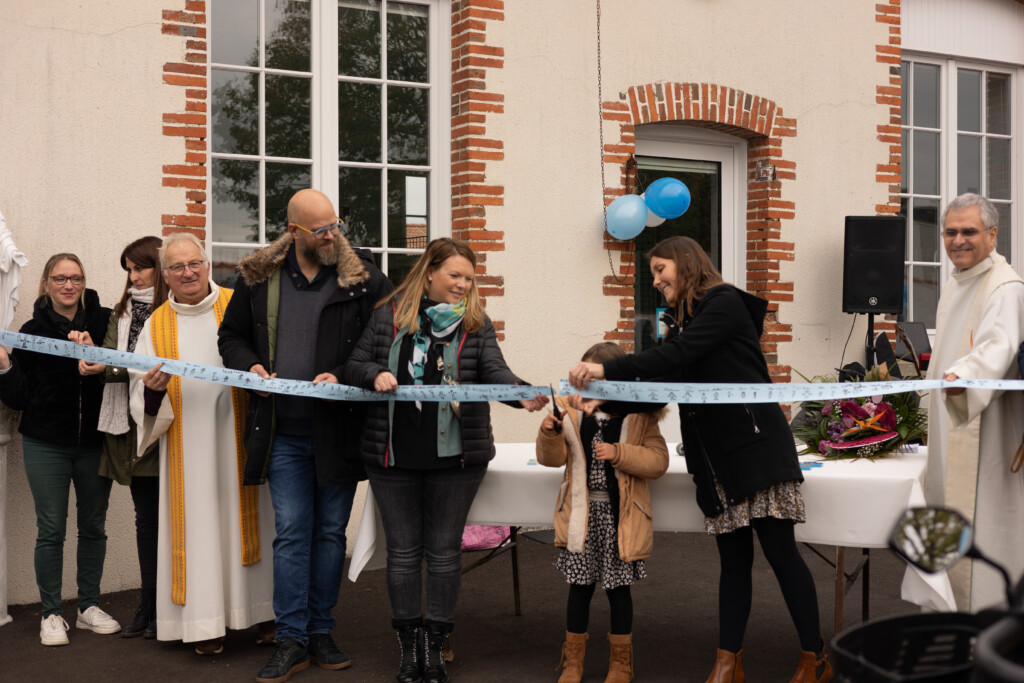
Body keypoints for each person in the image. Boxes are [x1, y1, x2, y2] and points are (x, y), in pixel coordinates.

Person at [569, 236, 831, 683]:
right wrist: (604, 401)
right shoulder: (685, 323)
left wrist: (606, 369)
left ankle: (815, 659)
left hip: (755, 451)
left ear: (686, 263)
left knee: (782, 557)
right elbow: (665, 378)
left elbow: (677, 356)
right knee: (732, 564)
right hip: (716, 463)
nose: (655, 281)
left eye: (660, 270)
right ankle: (728, 662)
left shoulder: (723, 304)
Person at [342, 237, 547, 683]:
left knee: (443, 554)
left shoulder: (476, 324)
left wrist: (521, 392)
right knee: (402, 555)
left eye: (469, 278)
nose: (462, 285)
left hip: (457, 460)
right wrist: (374, 372)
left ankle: (436, 650)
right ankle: (408, 650)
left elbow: (494, 372)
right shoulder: (389, 316)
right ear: (429, 272)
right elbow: (352, 364)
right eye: (455, 275)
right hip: (391, 455)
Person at [218, 188, 393, 682]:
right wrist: (248, 365)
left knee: (330, 534)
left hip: (339, 430)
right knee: (293, 534)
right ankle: (291, 639)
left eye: (335, 225)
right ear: (293, 232)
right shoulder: (256, 279)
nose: (332, 235)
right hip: (283, 432)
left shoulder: (364, 280)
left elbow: (385, 341)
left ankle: (321, 630)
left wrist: (343, 373)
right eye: (321, 230)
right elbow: (229, 338)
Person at [128, 233, 275, 654]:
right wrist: (154, 391)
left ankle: (265, 614)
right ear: (166, 276)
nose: (188, 272)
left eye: (194, 263)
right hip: (187, 447)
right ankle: (204, 624)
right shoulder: (156, 324)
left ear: (208, 265)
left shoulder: (240, 306)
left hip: (242, 437)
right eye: (177, 267)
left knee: (257, 523)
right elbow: (139, 393)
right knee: (198, 530)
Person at [0, 253, 121, 645]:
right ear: (47, 284)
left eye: (75, 278)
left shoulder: (105, 322)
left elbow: (125, 372)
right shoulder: (31, 331)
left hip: (94, 444)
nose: (68, 285)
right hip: (45, 445)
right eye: (60, 279)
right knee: (50, 531)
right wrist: (4, 366)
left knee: (93, 527)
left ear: (84, 282)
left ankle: (87, 607)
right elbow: (19, 398)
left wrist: (98, 358)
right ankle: (51, 613)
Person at [537, 342, 669, 683]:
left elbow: (658, 461)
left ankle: (621, 665)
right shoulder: (570, 409)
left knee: (617, 591)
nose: (585, 387)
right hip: (581, 516)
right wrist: (549, 433)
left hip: (619, 518)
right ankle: (572, 663)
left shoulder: (638, 414)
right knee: (578, 588)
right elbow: (551, 459)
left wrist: (619, 452)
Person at [923, 193, 1024, 612]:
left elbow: (995, 350)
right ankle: (949, 616)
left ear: (993, 234)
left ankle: (988, 624)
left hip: (988, 432)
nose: (958, 240)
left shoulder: (1004, 287)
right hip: (953, 422)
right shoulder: (958, 281)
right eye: (950, 232)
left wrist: (960, 378)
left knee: (987, 526)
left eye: (969, 231)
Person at [77, 236, 167, 639]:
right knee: (146, 520)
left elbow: (163, 365)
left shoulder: (172, 311)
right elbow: (116, 356)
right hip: (129, 427)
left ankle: (169, 606)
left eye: (139, 268)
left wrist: (109, 366)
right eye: (128, 270)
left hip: (167, 423)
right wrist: (98, 358)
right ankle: (148, 607)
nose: (132, 277)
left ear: (159, 267)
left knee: (176, 521)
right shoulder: (122, 311)